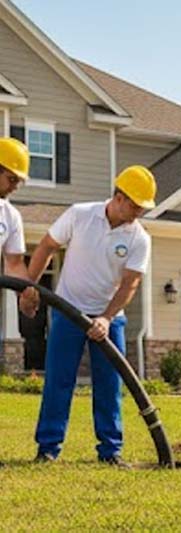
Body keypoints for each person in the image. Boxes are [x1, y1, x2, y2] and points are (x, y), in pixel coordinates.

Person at [22, 166, 156, 467]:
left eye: (143, 207)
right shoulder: (80, 215)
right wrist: (30, 287)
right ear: (119, 197)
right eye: (136, 205)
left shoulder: (139, 238)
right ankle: (48, 448)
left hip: (109, 319)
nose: (140, 212)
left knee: (109, 385)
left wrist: (106, 318)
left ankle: (110, 451)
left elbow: (130, 283)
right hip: (68, 311)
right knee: (59, 381)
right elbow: (47, 246)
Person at [0, 138, 39, 468]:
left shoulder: (10, 215)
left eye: (19, 181)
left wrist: (25, 293)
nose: (15, 186)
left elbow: (13, 263)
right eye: (11, 178)